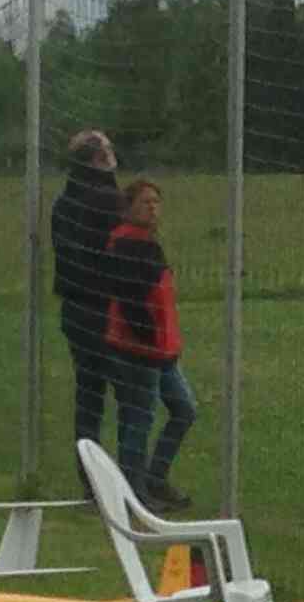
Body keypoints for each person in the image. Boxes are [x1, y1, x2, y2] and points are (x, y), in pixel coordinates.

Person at [103, 177, 197, 510]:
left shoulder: (146, 243)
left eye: (156, 202)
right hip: (139, 351)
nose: (153, 208)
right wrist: (149, 338)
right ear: (128, 208)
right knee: (138, 419)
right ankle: (134, 493)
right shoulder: (128, 245)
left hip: (161, 351)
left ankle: (155, 477)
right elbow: (131, 300)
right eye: (145, 202)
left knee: (184, 410)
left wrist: (165, 343)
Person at [51, 128, 125, 442]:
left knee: (89, 394)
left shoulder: (63, 202)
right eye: (109, 149)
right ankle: (130, 467)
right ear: (99, 158)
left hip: (75, 308)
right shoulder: (109, 200)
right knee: (132, 395)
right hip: (108, 308)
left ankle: (87, 463)